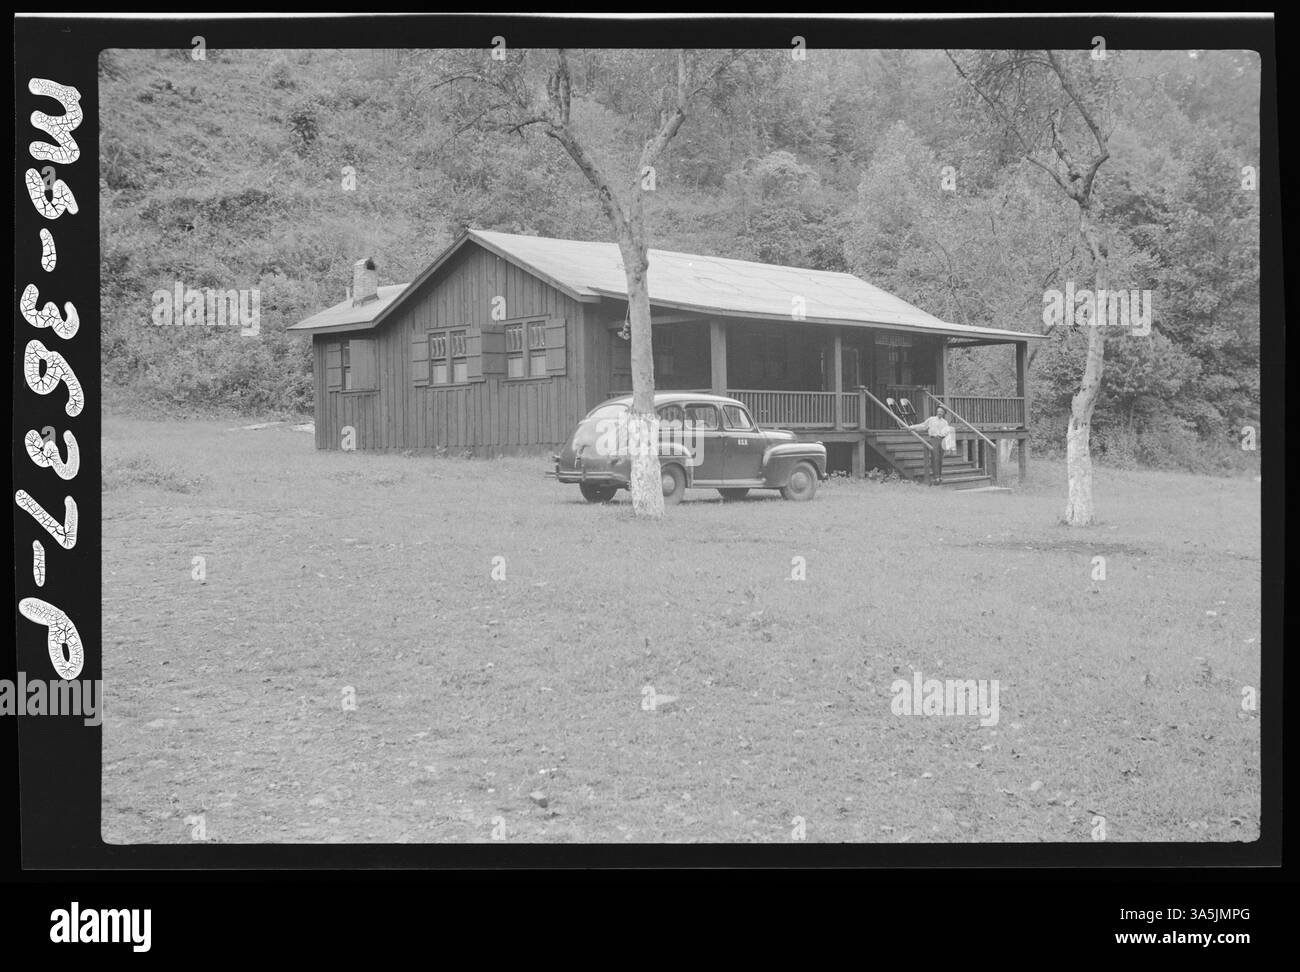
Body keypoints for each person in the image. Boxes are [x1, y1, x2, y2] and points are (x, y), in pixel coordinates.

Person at [909, 406, 954, 484]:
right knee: (935, 458)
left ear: (944, 413)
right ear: (936, 412)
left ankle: (939, 476)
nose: (939, 413)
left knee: (940, 459)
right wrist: (912, 427)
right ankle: (936, 477)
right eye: (938, 411)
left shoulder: (945, 422)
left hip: (942, 440)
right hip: (934, 439)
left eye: (941, 412)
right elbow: (923, 426)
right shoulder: (931, 419)